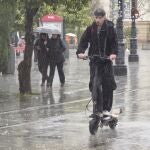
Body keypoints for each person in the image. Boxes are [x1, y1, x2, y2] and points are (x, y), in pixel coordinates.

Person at [76, 8, 118, 116]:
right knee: (94, 84)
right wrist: (80, 52)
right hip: (94, 61)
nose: (98, 20)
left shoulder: (110, 28)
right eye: (96, 18)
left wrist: (113, 53)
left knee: (108, 84)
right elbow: (83, 41)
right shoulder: (91, 29)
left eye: (100, 18)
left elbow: (114, 43)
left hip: (106, 61)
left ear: (104, 17)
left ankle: (106, 109)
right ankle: (96, 108)